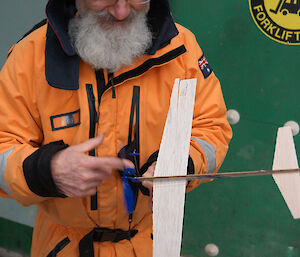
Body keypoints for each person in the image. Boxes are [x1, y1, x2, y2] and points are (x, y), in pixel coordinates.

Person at [0, 0, 232, 256]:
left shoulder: (182, 48)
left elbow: (211, 127)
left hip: (151, 246)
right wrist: (46, 170)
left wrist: (181, 162)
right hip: (62, 247)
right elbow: (3, 146)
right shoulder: (31, 55)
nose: (121, 11)